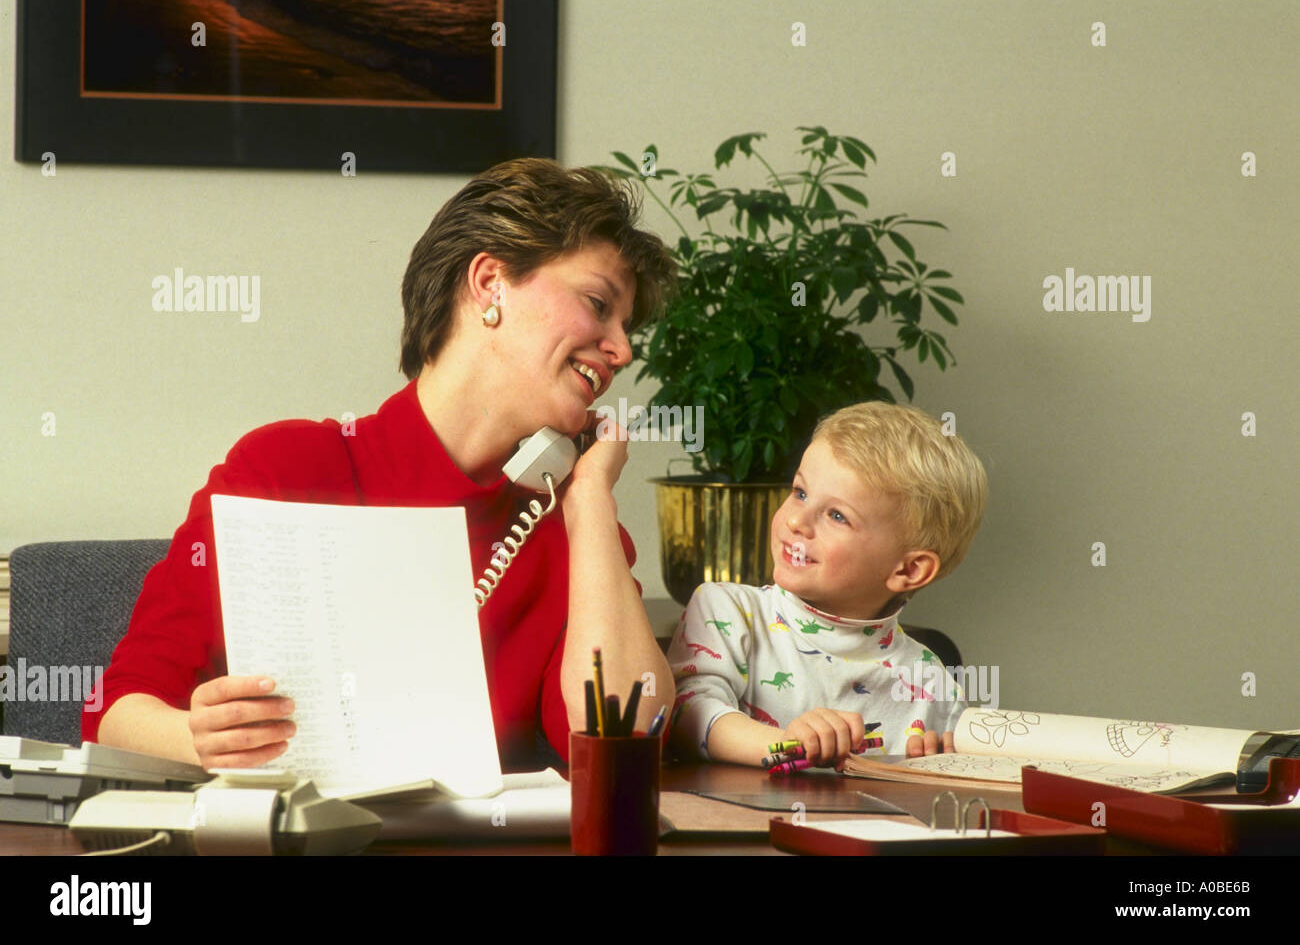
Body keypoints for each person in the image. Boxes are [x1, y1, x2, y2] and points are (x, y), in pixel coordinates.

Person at [85, 158, 678, 771]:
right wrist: (199, 741)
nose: (623, 349)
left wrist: (589, 503)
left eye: (626, 326)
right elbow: (118, 714)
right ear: (489, 283)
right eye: (597, 303)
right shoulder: (281, 471)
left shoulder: (572, 531)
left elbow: (626, 739)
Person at [667, 401, 988, 768]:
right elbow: (686, 714)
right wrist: (786, 744)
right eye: (800, 492)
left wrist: (935, 770)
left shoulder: (931, 682)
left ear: (909, 570)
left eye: (837, 515)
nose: (797, 522)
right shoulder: (726, 610)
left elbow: (945, 802)